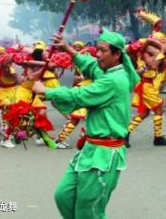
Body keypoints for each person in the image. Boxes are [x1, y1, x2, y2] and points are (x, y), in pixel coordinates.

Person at [32, 29, 139, 219]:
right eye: (97, 49)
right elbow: (91, 66)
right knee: (64, 196)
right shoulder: (110, 70)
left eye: (103, 51)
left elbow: (80, 95)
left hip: (105, 154)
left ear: (117, 55)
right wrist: (67, 48)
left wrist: (47, 92)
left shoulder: (114, 80)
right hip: (90, 149)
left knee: (89, 211)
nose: (97, 54)